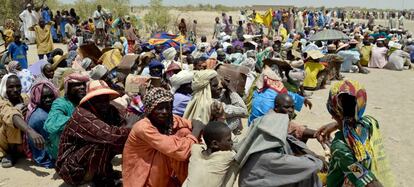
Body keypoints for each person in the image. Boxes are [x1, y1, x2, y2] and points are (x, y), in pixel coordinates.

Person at [122, 87, 204, 187]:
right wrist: (195, 132)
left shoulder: (169, 119)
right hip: (141, 176)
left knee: (184, 132)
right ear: (150, 109)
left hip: (158, 172)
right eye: (159, 108)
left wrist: (196, 128)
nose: (165, 112)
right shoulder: (143, 127)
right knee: (173, 150)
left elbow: (194, 124)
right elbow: (180, 152)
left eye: (167, 108)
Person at [236, 94, 323, 187]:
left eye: (292, 107)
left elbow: (294, 133)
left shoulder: (269, 122)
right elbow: (311, 166)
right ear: (276, 107)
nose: (290, 110)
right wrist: (318, 160)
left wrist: (317, 134)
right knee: (308, 174)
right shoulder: (268, 156)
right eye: (287, 107)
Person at [56, 80, 132, 186]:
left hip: (85, 159)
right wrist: (131, 124)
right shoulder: (82, 114)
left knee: (120, 137)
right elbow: (111, 136)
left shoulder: (109, 109)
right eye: (98, 100)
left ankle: (103, 172)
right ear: (90, 100)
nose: (103, 103)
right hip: (71, 168)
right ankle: (96, 178)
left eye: (105, 99)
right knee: (104, 141)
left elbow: (124, 120)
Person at [325, 80, 392, 187]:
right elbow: (355, 122)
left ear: (332, 111)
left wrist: (337, 124)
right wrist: (336, 125)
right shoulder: (369, 123)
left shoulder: (340, 147)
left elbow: (364, 178)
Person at [0, 74, 45, 168]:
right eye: (11, 87)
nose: (15, 90)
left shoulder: (24, 98)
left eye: (18, 86)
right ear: (4, 88)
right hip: (5, 141)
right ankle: (11, 154)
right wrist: (30, 131)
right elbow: (10, 114)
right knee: (11, 121)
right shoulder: (2, 102)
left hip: (22, 140)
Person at [43, 73, 89, 159]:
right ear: (68, 88)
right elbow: (51, 124)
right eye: (77, 85)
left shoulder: (85, 101)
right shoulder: (60, 103)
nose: (82, 87)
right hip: (63, 148)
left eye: (83, 84)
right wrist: (82, 120)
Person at [182, 121, 236, 187]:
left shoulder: (195, 150)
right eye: (229, 140)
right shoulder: (226, 156)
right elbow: (237, 149)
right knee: (235, 165)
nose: (231, 142)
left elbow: (199, 147)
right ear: (215, 144)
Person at [26, 80, 59, 168]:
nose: (48, 100)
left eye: (50, 96)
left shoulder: (46, 110)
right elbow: (51, 141)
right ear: (37, 97)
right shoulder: (41, 116)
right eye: (44, 97)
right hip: (44, 155)